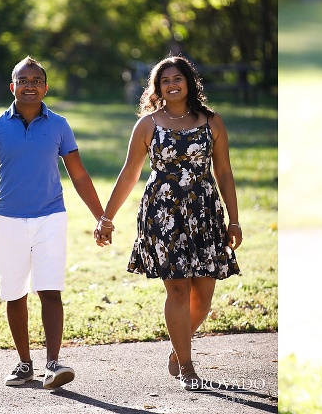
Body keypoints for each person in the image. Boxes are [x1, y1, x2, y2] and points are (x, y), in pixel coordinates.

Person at [95, 55, 242, 391]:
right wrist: (107, 217)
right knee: (177, 289)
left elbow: (224, 172)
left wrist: (234, 220)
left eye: (178, 79)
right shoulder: (148, 124)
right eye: (165, 81)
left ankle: (179, 348)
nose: (172, 85)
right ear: (157, 87)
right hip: (163, 214)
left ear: (189, 82)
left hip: (205, 213)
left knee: (203, 297)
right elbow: (130, 172)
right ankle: (188, 367)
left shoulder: (212, 122)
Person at [0, 56, 105, 389]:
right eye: (23, 80)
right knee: (14, 294)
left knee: (50, 290)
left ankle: (53, 364)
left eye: (36, 80)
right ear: (13, 87)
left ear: (45, 87)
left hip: (51, 217)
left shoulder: (59, 124)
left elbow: (80, 174)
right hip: (8, 219)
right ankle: (24, 364)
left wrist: (101, 215)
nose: (30, 85)